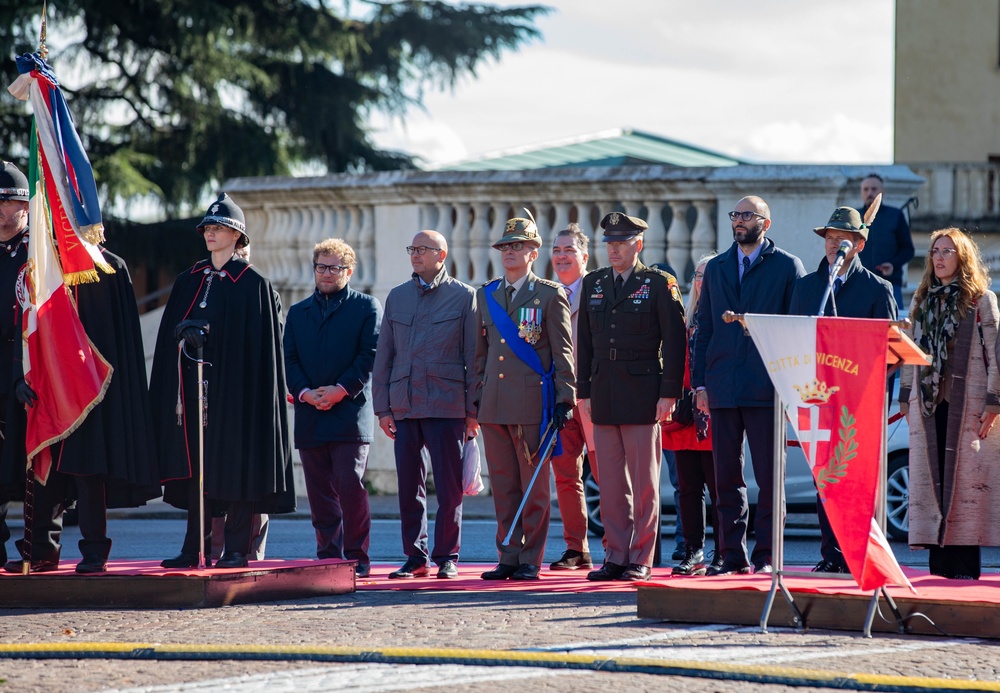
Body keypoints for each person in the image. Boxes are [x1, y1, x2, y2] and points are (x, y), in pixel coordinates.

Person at [150, 192, 294, 570]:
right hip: (192, 395)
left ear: (238, 236)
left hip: (237, 396)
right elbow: (169, 336)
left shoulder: (253, 284)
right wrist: (185, 335)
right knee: (196, 467)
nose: (211, 234)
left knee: (236, 469)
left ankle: (234, 548)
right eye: (208, 228)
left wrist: (212, 336)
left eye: (219, 228)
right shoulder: (188, 279)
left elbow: (259, 348)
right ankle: (193, 546)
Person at [4, 248, 163, 574]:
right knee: (43, 469)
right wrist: (21, 376)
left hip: (91, 388)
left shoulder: (108, 267)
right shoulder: (39, 267)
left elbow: (116, 338)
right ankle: (39, 551)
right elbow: (24, 329)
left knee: (88, 471)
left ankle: (94, 551)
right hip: (46, 387)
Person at [692, 195, 806, 575]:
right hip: (723, 385)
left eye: (747, 215)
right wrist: (701, 385)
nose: (738, 221)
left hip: (767, 388)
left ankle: (768, 555)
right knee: (726, 477)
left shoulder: (788, 267)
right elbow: (704, 328)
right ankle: (730, 556)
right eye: (735, 215)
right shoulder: (718, 267)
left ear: (765, 223)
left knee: (770, 478)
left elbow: (796, 332)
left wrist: (791, 388)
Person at [577, 211, 686, 582]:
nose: (613, 249)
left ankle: (641, 556)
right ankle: (615, 555)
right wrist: (584, 392)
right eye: (609, 243)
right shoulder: (593, 282)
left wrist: (669, 394)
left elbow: (674, 342)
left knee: (643, 484)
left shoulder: (658, 283)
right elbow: (585, 345)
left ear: (637, 244)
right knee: (609, 485)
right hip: (603, 392)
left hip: (643, 393)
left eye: (621, 243)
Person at [789, 207, 896, 573]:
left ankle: (859, 550)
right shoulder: (806, 288)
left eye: (842, 239)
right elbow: (791, 341)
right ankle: (830, 554)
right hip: (817, 400)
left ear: (860, 245)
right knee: (826, 476)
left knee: (856, 478)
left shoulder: (877, 289)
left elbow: (892, 351)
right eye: (829, 239)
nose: (834, 245)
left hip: (860, 401)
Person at [373, 230, 477, 580]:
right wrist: (382, 408)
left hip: (448, 404)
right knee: (409, 487)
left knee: (449, 487)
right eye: (412, 249)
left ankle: (448, 555)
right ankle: (415, 557)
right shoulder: (397, 297)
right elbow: (384, 355)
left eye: (423, 249)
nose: (415, 254)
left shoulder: (464, 297)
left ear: (441, 255)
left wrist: (473, 412)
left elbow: (474, 358)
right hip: (405, 405)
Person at [475, 216, 575, 581]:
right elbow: (480, 355)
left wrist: (565, 399)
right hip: (494, 404)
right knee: (503, 485)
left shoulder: (549, 294)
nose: (509, 253)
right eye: (505, 247)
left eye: (517, 246)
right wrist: (475, 399)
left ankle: (531, 556)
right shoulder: (486, 294)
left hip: (532, 404)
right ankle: (509, 555)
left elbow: (563, 353)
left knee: (533, 485)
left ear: (533, 253)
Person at [900, 227, 1000, 580]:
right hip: (928, 404)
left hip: (969, 404)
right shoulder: (921, 299)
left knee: (965, 485)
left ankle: (964, 572)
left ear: (962, 257)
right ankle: (938, 572)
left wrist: (993, 401)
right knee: (932, 481)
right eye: (935, 251)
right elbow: (910, 354)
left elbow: (995, 352)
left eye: (947, 251)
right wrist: (905, 395)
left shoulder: (980, 299)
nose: (939, 257)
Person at [284, 238, 381, 579]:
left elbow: (369, 356)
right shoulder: (297, 313)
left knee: (348, 483)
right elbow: (290, 360)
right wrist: (305, 392)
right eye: (321, 267)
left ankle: (356, 556)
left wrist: (340, 390)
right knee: (319, 492)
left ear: (349, 271)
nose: (327, 273)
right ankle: (328, 555)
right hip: (310, 410)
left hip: (349, 414)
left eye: (335, 268)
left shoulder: (367, 307)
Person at [662, 252, 723, 576]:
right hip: (685, 417)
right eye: (697, 275)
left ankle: (725, 552)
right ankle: (693, 550)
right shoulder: (684, 318)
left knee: (719, 488)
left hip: (714, 415)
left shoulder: (722, 316)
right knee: (687, 490)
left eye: (708, 274)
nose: (702, 279)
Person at [546, 223, 597, 571]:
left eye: (569, 250)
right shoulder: (544, 293)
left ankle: (616, 550)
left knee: (607, 477)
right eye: (557, 250)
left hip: (593, 397)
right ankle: (576, 549)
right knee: (565, 476)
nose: (562, 256)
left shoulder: (599, 290)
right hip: (558, 400)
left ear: (584, 256)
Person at [0, 161, 30, 567]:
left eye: (11, 206)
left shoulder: (40, 255)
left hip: (27, 368)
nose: (3, 213)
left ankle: (37, 548)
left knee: (31, 463)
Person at [857, 173, 915, 310]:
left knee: (892, 327)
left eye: (874, 189)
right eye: (866, 189)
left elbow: (908, 249)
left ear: (882, 192)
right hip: (859, 285)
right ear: (861, 193)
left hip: (890, 285)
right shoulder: (854, 218)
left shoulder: (895, 216)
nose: (870, 193)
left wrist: (893, 264)